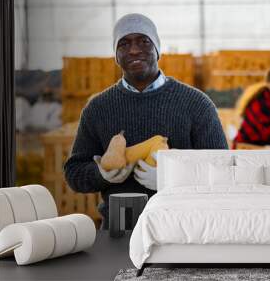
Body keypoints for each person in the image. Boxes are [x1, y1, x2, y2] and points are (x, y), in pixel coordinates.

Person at [64, 13, 228, 229]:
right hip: (120, 228)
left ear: (157, 49)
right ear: (116, 55)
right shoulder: (98, 108)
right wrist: (101, 174)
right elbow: (74, 172)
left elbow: (222, 169)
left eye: (144, 41)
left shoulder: (196, 103)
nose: (134, 49)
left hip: (182, 227)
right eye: (124, 43)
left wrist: (173, 180)